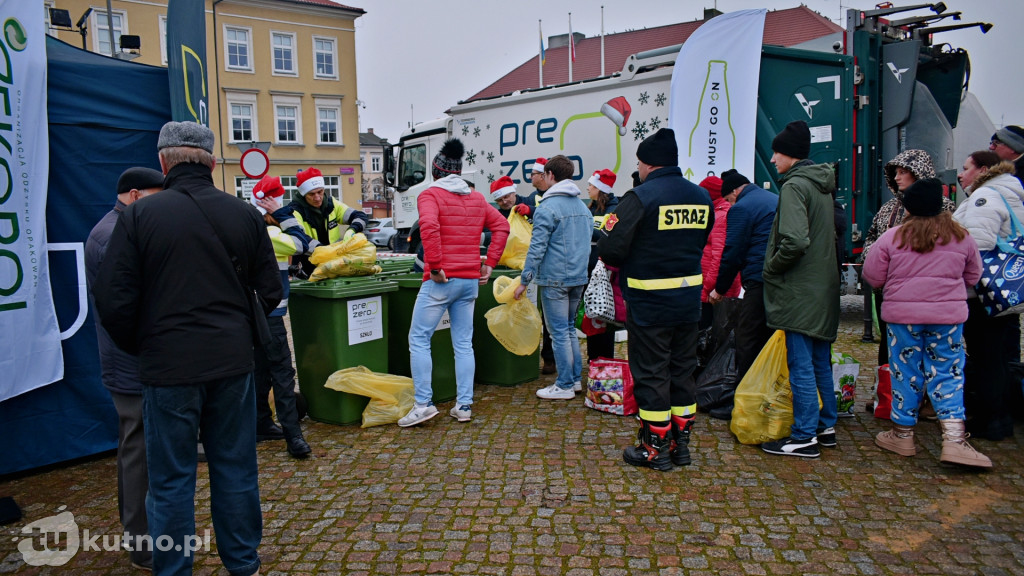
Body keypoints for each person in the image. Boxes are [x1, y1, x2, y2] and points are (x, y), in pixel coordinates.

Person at [95, 121, 281, 576]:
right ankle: (243, 563)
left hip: (167, 366)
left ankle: (174, 568)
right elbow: (271, 291)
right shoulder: (245, 216)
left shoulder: (139, 217)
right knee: (235, 467)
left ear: (163, 163)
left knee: (171, 478)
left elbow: (113, 299)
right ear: (212, 163)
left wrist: (145, 346)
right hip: (231, 362)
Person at [598, 128, 713, 471]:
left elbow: (610, 248)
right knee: (682, 372)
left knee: (651, 374)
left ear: (648, 164)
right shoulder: (701, 197)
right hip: (688, 302)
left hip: (650, 304)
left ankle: (654, 447)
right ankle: (681, 444)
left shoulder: (640, 197)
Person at [863, 177, 990, 468]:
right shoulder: (961, 237)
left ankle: (902, 434)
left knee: (905, 371)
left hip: (902, 319)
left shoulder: (892, 237)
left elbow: (872, 276)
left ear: (908, 208)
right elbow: (974, 276)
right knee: (948, 372)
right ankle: (955, 441)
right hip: (947, 320)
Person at [84, 166, 165, 571]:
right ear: (134, 194)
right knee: (138, 453)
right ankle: (142, 544)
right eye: (155, 195)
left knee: (140, 450)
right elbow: (128, 306)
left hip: (132, 359)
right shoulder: (112, 234)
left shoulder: (120, 227)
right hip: (129, 362)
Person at [398, 138, 509, 427]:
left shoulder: (430, 195)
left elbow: (430, 227)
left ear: (435, 172)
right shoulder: (477, 198)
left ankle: (423, 404)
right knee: (463, 343)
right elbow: (502, 226)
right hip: (469, 281)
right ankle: (464, 405)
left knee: (419, 338)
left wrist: (434, 265)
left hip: (441, 280)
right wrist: (489, 264)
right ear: (458, 172)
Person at [760, 120, 841, 459]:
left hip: (800, 291)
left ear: (789, 155)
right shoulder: (822, 185)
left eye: (777, 152)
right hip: (822, 288)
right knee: (820, 360)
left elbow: (794, 241)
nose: (774, 158)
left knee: (801, 363)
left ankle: (804, 435)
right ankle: (826, 426)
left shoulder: (795, 186)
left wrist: (770, 268)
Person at [953, 151, 1024, 440]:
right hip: (1000, 290)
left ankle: (989, 419)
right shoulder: (1008, 192)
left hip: (982, 293)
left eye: (966, 167)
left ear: (983, 169)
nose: (961, 173)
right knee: (994, 355)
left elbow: (976, 243)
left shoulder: (987, 196)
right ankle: (997, 416)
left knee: (985, 356)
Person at [863, 150, 954, 366]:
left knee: (928, 351)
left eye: (903, 172)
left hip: (930, 294)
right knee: (889, 344)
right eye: (895, 173)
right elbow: (871, 238)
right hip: (889, 291)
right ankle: (886, 392)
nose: (897, 177)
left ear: (918, 173)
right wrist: (874, 257)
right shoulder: (888, 208)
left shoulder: (944, 208)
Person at [513, 155, 593, 400]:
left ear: (550, 175)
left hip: (555, 279)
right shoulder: (582, 206)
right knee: (569, 330)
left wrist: (524, 280)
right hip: (578, 277)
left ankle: (565, 384)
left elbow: (536, 248)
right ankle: (575, 381)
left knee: (559, 332)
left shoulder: (548, 207)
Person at [252, 176, 312, 459]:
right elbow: (303, 245)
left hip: (251, 317)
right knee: (283, 376)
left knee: (260, 373)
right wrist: (283, 214)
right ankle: (293, 436)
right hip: (271, 318)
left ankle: (261, 423)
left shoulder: (249, 229)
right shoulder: (272, 234)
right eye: (276, 202)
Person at [709, 169, 777, 380]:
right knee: (770, 334)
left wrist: (720, 288)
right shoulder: (774, 198)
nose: (729, 204)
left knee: (747, 335)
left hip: (758, 278)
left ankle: (746, 389)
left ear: (735, 192)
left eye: (728, 199)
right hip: (779, 277)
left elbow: (733, 252)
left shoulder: (742, 208)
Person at [272, 166, 369, 278]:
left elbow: (360, 216)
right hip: (306, 268)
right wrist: (329, 251)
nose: (317, 198)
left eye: (320, 192)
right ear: (304, 195)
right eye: (312, 194)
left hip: (331, 265)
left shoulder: (331, 204)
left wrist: (353, 229)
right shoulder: (294, 211)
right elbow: (301, 239)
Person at [520, 158, 556, 374]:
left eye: (533, 173)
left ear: (543, 175)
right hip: (535, 264)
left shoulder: (553, 198)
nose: (531, 177)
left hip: (549, 264)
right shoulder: (533, 197)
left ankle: (550, 359)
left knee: (551, 318)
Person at [698, 175, 740, 330]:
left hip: (712, 290)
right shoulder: (720, 212)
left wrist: (708, 286)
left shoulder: (720, 216)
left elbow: (719, 255)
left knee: (709, 334)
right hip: (717, 286)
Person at [585, 168, 619, 362]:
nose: (588, 188)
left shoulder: (614, 209)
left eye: (591, 185)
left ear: (601, 189)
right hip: (589, 269)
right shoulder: (590, 208)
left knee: (604, 317)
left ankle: (605, 358)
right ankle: (593, 357)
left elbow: (607, 234)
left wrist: (585, 229)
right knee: (592, 315)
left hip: (604, 272)